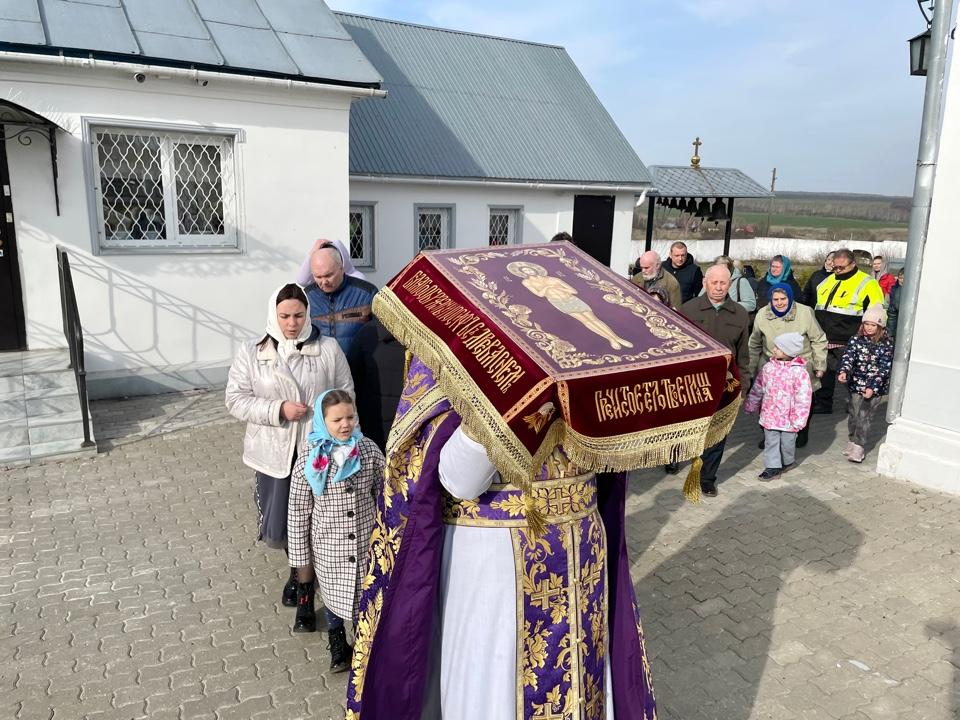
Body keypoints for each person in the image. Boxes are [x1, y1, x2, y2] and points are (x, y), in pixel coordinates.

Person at [346, 358, 658, 719]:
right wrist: (505, 399)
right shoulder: (462, 350)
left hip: (581, 555)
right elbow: (459, 479)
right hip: (496, 561)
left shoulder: (586, 350)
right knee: (495, 691)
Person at [225, 283, 354, 607]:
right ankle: (297, 571)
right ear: (274, 314)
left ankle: (311, 578)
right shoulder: (253, 352)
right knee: (284, 520)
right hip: (274, 453)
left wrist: (346, 442)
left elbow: (346, 394)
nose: (292, 323)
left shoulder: (328, 348)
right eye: (284, 316)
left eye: (298, 315)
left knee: (319, 518)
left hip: (318, 450)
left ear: (308, 313)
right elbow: (235, 400)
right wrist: (278, 409)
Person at [287, 389, 385, 672]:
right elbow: (298, 510)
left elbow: (384, 490)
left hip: (365, 542)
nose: (345, 424)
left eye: (350, 417)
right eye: (337, 420)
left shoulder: (368, 449)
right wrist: (300, 557)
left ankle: (364, 644)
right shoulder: (309, 458)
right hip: (328, 545)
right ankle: (337, 642)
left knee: (365, 595)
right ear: (322, 421)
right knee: (333, 596)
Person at [678, 265, 751, 496]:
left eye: (723, 283)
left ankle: (707, 478)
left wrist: (743, 387)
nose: (719, 287)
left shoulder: (740, 314)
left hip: (725, 385)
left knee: (718, 432)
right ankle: (676, 458)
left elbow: (743, 355)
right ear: (705, 283)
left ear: (730, 285)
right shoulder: (688, 309)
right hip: (693, 383)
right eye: (714, 282)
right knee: (690, 429)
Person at [748, 283, 827, 448]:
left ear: (790, 298)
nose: (779, 303)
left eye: (783, 299)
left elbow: (818, 339)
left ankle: (801, 431)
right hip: (771, 364)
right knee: (769, 402)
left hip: (799, 365)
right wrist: (750, 369)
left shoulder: (805, 312)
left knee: (801, 401)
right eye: (775, 299)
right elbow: (754, 343)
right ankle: (770, 434)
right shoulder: (762, 314)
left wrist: (819, 365)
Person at [812, 248, 884, 414]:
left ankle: (857, 403)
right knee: (825, 372)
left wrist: (868, 336)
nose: (837, 270)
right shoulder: (827, 281)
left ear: (853, 264)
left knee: (853, 374)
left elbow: (877, 312)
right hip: (824, 336)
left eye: (841, 267)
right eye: (835, 267)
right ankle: (823, 404)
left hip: (850, 338)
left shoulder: (868, 283)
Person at [744, 332, 813, 480]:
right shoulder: (768, 367)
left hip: (789, 419)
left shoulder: (799, 372)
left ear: (789, 351)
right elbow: (758, 387)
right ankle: (772, 467)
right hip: (770, 415)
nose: (774, 349)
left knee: (788, 443)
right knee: (771, 442)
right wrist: (751, 404)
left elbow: (804, 398)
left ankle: (788, 461)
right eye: (775, 346)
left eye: (778, 348)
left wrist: (800, 419)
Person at [837, 305, 894, 463]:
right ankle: (852, 439)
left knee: (864, 417)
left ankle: (859, 446)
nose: (869, 328)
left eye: (873, 325)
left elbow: (884, 368)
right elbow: (848, 356)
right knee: (854, 414)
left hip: (873, 388)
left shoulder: (886, 344)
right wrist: (844, 371)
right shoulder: (856, 339)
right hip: (855, 384)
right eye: (866, 324)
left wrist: (872, 387)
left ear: (880, 326)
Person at [343, 316, 407, 452]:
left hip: (373, 430)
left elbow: (351, 382)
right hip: (408, 428)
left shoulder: (367, 333)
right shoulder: (425, 337)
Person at [305, 242, 379, 357]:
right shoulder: (306, 297)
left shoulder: (367, 293)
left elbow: (381, 334)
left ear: (341, 268)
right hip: (321, 365)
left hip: (358, 365)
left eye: (329, 275)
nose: (324, 282)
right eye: (318, 277)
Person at [297, 237, 368, 285]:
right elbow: (302, 281)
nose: (324, 282)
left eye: (329, 275)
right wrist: (313, 252)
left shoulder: (357, 279)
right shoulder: (322, 276)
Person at [887, 268, 904, 341]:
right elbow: (892, 313)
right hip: (898, 326)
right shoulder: (895, 290)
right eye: (900, 278)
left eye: (904, 278)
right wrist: (890, 332)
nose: (902, 280)